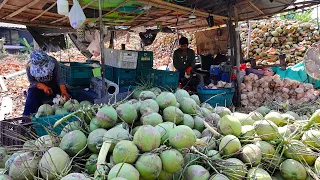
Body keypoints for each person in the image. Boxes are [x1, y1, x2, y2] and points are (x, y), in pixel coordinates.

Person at [23, 50, 70, 117]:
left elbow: (59, 79)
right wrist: (43, 87)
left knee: (65, 99)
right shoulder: (29, 66)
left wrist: (63, 90)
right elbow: (32, 81)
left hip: (54, 85)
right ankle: (26, 120)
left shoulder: (53, 62)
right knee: (30, 101)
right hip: (37, 87)